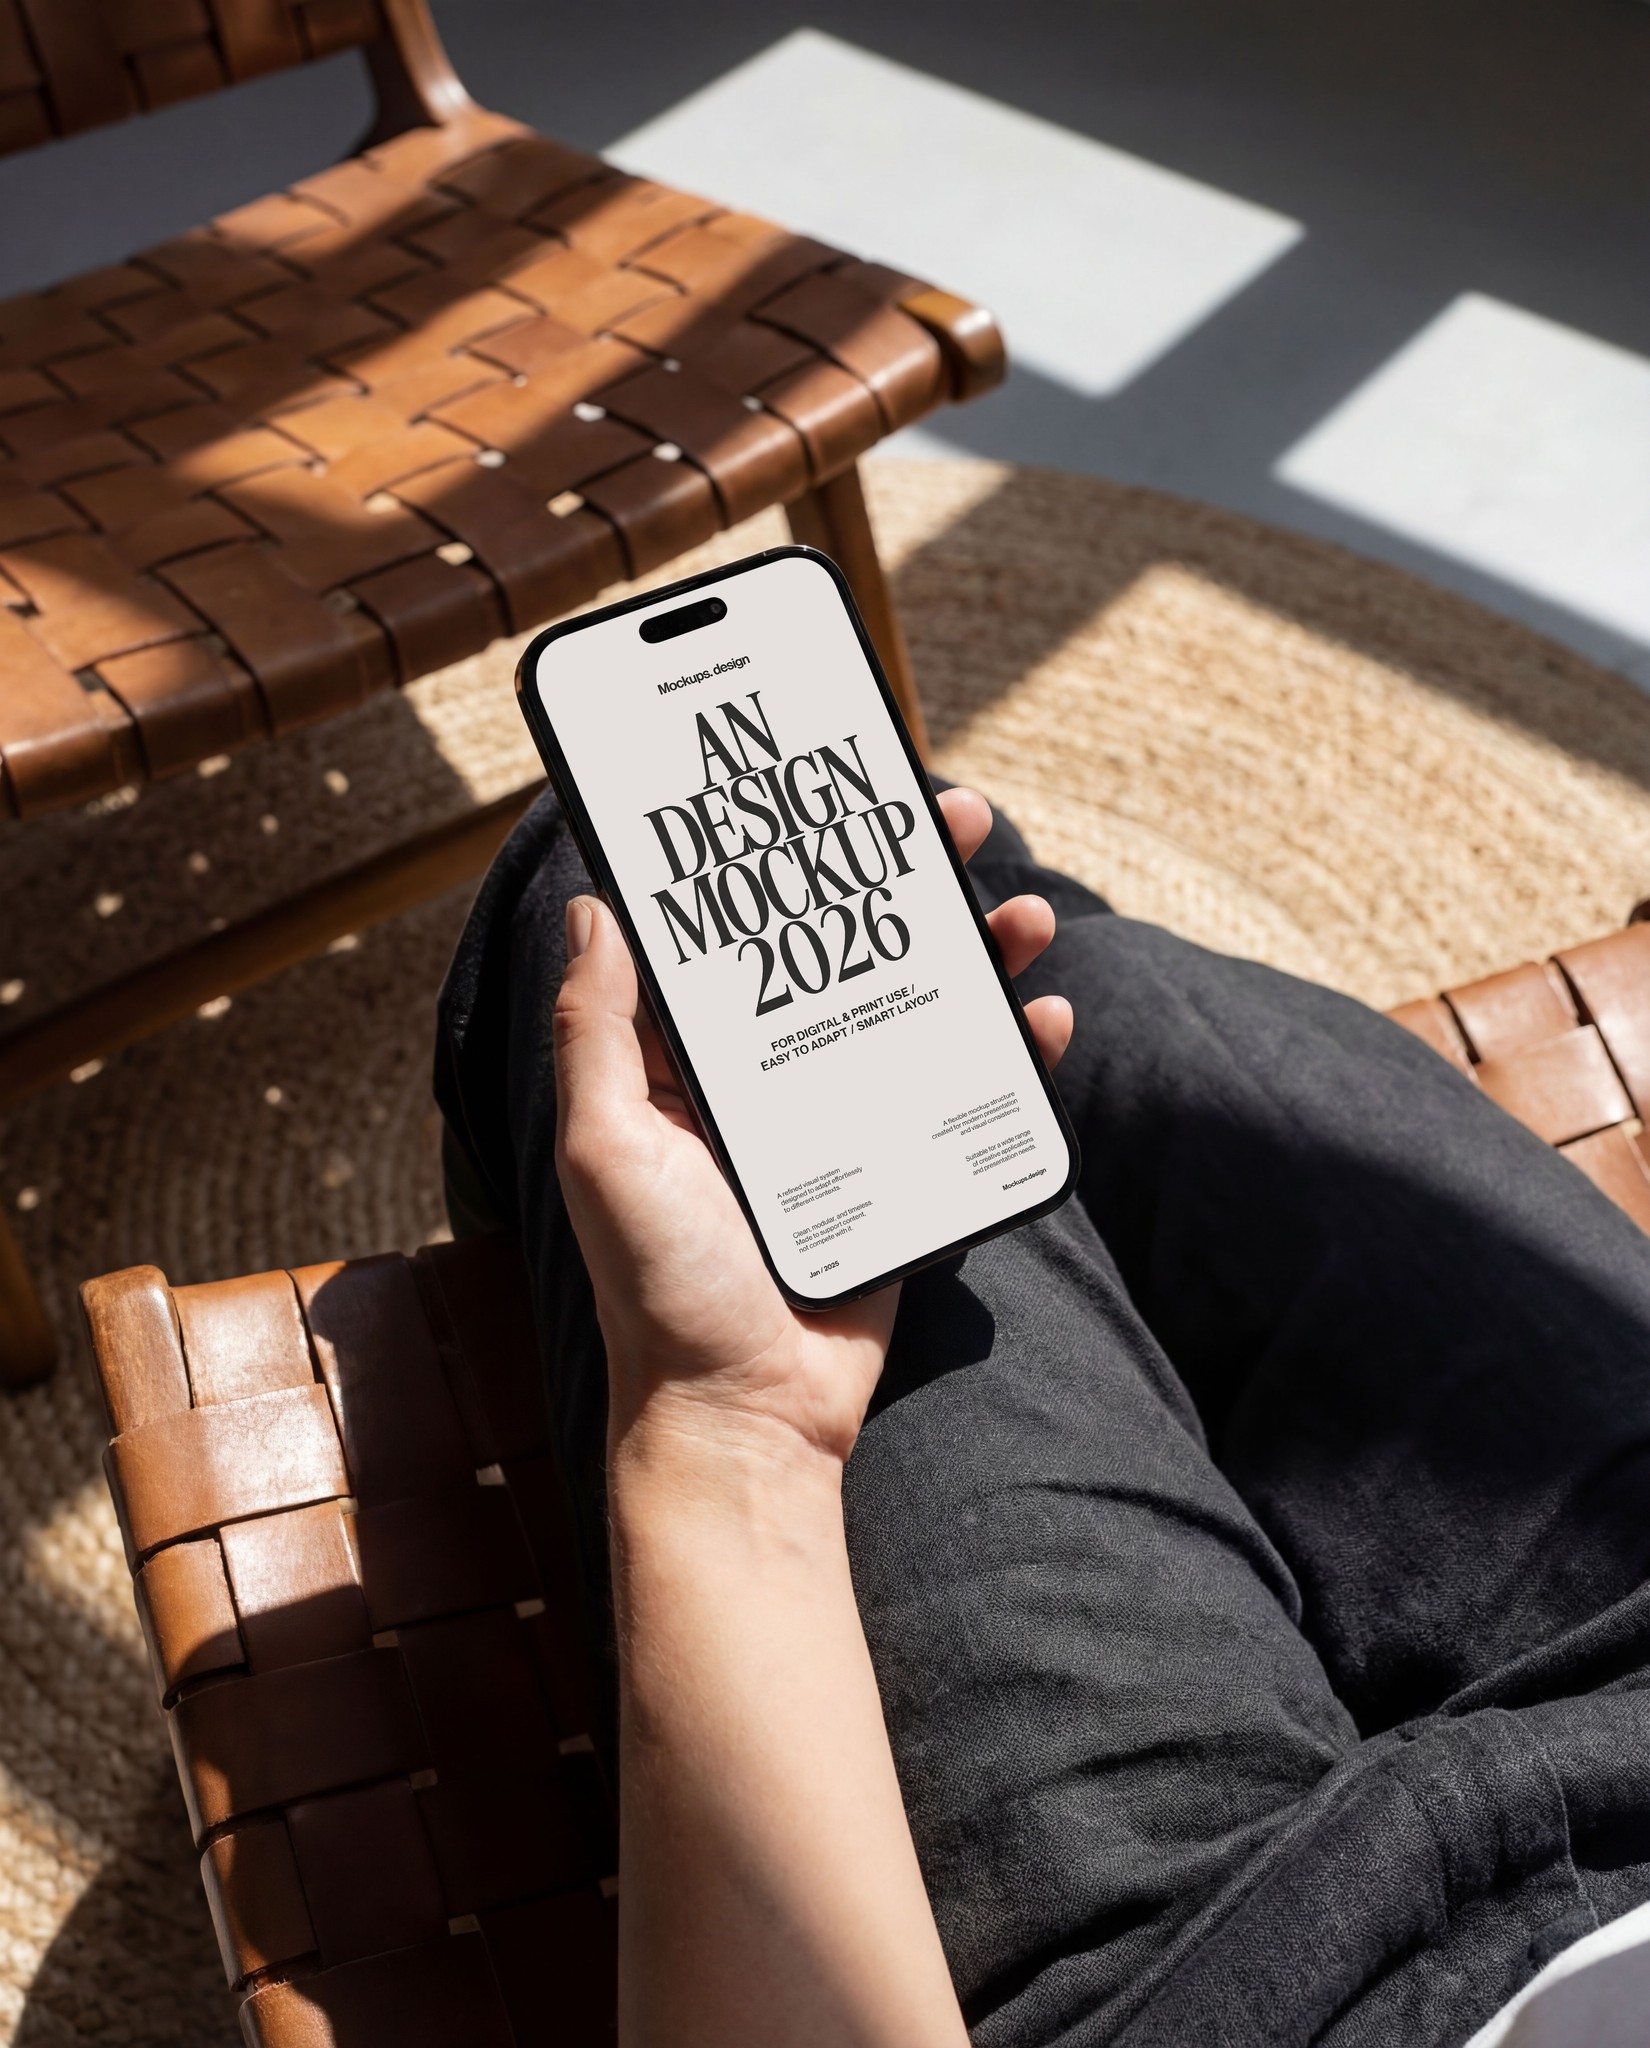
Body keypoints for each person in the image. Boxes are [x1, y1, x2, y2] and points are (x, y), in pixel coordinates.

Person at [435, 782, 1650, 2048]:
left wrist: (730, 1430)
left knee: (643, 872)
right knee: (1039, 963)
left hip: (1194, 1998)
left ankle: (539, 1269)